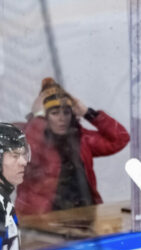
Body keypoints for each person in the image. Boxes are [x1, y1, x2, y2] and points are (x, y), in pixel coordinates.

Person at [16, 78, 130, 216]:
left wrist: (87, 113)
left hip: (85, 214)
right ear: (45, 116)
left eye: (66, 112)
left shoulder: (81, 138)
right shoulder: (29, 133)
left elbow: (120, 138)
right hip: (42, 220)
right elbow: (29, 151)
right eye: (54, 113)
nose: (62, 118)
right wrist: (38, 118)